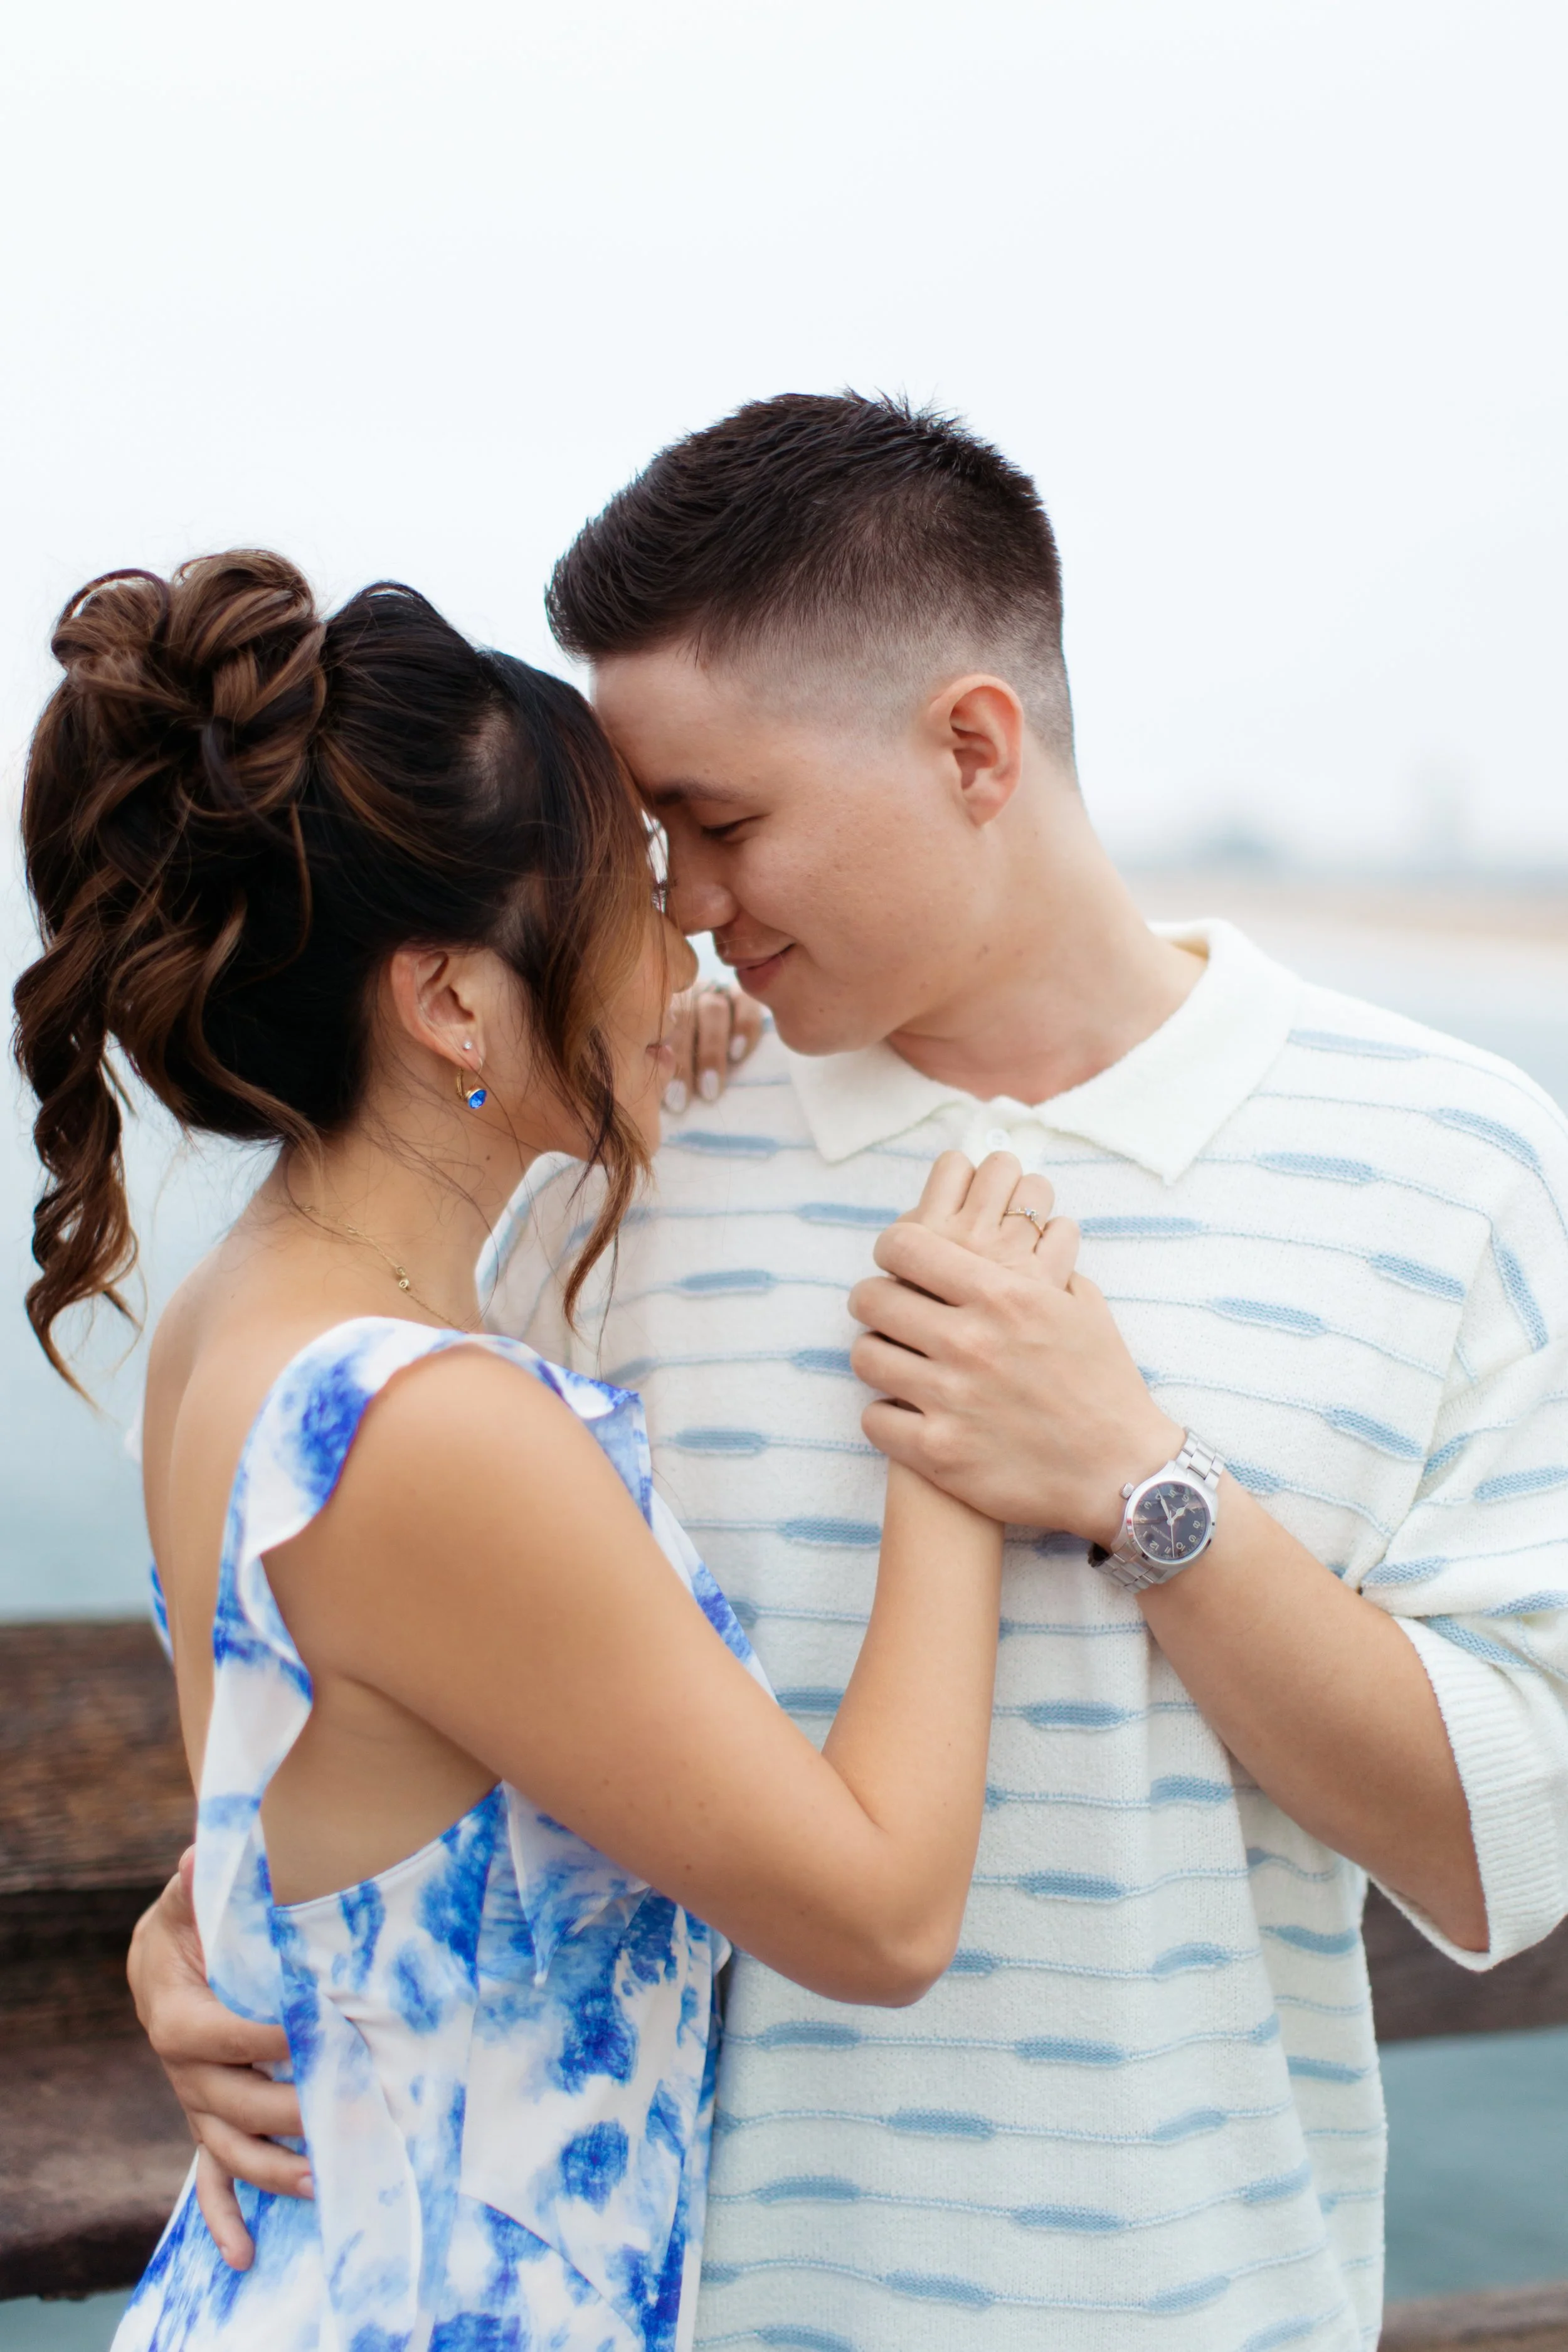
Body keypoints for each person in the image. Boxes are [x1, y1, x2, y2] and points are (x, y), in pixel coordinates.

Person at [132, 401, 1568, 2352]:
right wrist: (212, 1918)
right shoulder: (612, 1161)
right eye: (649, 846)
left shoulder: (1449, 1160)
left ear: (973, 745)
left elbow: (1509, 1855)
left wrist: (1144, 1491)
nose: (689, 905)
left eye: (720, 823)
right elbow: (401, 1647)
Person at [12, 548, 1067, 2351]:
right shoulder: (431, 1429)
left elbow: (312, 1859)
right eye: (632, 895)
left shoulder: (244, 1319)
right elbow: (881, 1911)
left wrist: (635, 1051)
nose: (691, 939)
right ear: (445, 1003)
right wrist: (955, 1430)